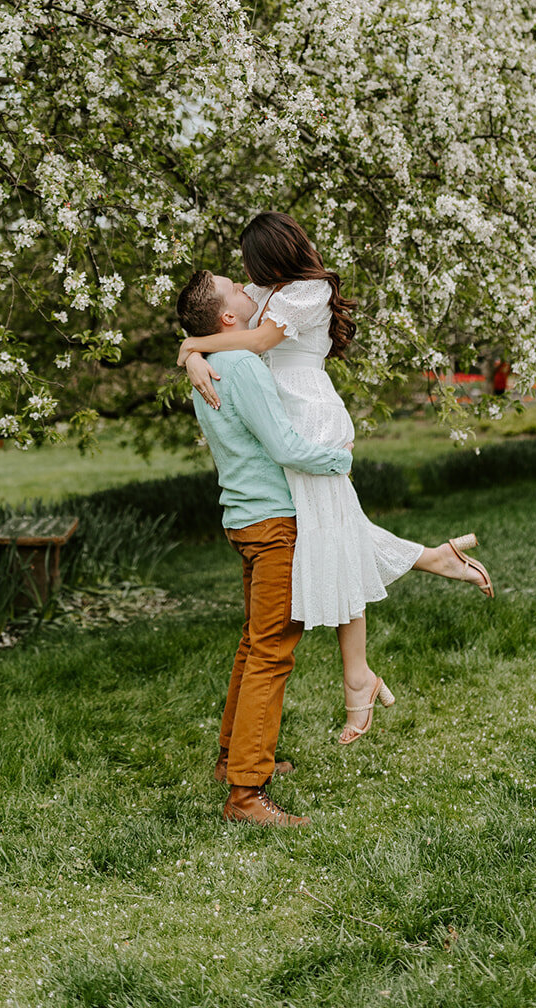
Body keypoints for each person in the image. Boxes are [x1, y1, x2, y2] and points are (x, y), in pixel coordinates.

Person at [178, 211, 494, 745]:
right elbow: (211, 316)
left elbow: (254, 341)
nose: (244, 278)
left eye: (250, 265)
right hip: (284, 419)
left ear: (271, 259)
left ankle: (360, 679)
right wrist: (190, 349)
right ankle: (426, 573)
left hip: (310, 417)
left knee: (334, 535)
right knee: (335, 534)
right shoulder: (265, 289)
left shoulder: (309, 291)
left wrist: (193, 348)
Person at [176, 267, 354, 828]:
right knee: (272, 651)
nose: (245, 287)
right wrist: (340, 457)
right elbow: (284, 445)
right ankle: (246, 794)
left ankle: (232, 759)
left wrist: (190, 350)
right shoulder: (243, 366)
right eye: (234, 288)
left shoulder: (211, 362)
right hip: (273, 522)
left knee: (254, 643)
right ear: (229, 316)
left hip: (244, 516)